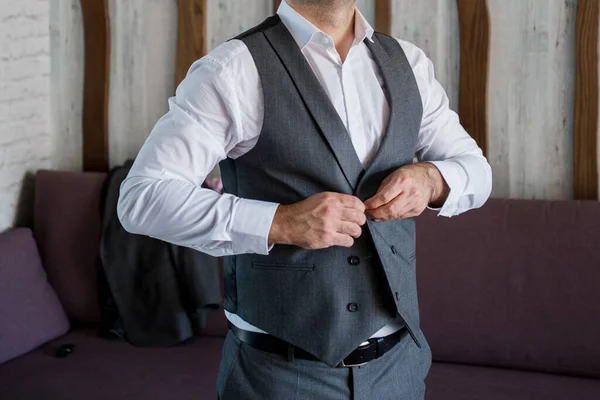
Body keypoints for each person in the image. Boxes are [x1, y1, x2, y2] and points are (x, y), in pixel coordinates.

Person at [117, 0, 492, 398]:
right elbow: (143, 198)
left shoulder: (410, 64)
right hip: (280, 378)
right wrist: (280, 223)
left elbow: (476, 170)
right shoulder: (233, 70)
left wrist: (431, 179)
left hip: (400, 370)